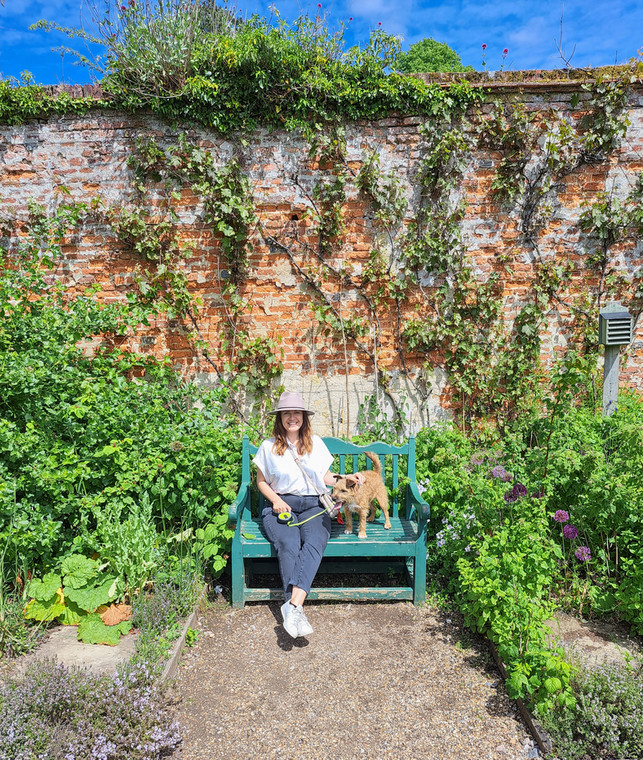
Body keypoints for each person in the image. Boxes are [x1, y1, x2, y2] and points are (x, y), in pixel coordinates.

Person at [253, 390, 361, 639]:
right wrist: (277, 500)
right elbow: (261, 482)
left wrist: (345, 478)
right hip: (281, 506)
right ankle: (296, 609)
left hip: (314, 505)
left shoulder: (315, 443)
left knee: (315, 541)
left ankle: (293, 606)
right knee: (289, 543)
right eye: (287, 413)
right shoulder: (268, 447)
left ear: (303, 416)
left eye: (297, 413)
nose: (292, 417)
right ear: (279, 418)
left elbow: (325, 477)